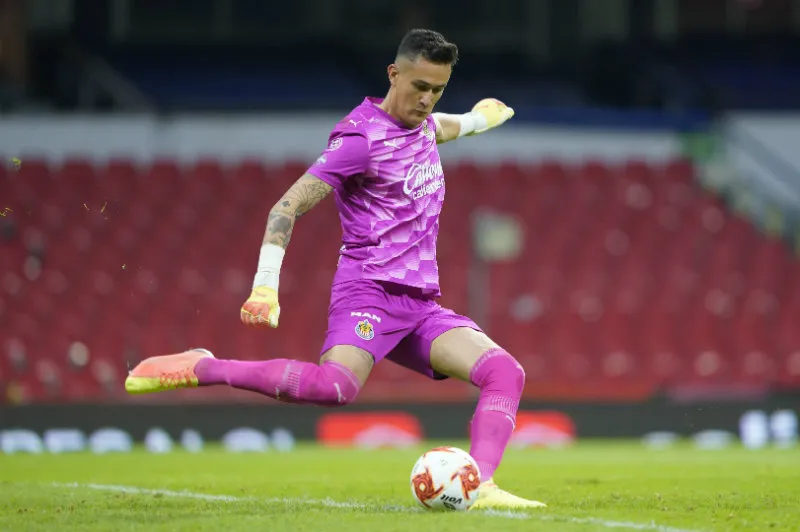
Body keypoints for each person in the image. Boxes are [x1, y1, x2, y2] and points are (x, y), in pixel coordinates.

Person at [125, 28, 545, 510]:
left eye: (438, 89)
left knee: (504, 372)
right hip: (368, 293)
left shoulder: (424, 125)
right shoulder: (359, 140)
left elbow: (442, 127)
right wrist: (265, 285)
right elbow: (286, 206)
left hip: (419, 305)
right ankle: (204, 366)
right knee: (335, 388)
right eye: (419, 87)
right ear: (394, 74)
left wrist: (478, 119)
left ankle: (482, 484)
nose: (427, 100)